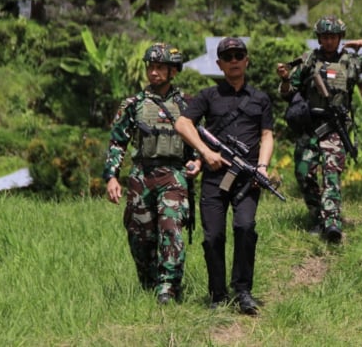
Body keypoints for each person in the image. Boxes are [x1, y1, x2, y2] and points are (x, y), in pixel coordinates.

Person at [174, 37, 274, 315]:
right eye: (227, 57)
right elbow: (182, 124)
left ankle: (243, 291)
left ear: (246, 60)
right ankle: (218, 294)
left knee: (244, 228)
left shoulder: (260, 98)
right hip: (215, 176)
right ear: (219, 63)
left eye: (238, 55)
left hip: (247, 177)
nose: (233, 61)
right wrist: (205, 153)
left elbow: (267, 135)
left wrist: (263, 167)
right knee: (213, 236)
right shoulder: (208, 96)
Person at [102, 43, 200, 305]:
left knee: (171, 231)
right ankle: (149, 283)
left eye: (160, 68)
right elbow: (117, 142)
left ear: (172, 72)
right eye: (151, 67)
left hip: (173, 175)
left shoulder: (188, 105)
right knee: (140, 237)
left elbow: (202, 141)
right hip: (141, 176)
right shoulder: (133, 104)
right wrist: (111, 176)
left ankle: (168, 288)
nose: (154, 73)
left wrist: (198, 162)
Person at [276, 15, 362, 242]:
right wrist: (285, 79)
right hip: (310, 125)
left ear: (340, 38)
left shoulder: (350, 61)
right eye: (324, 37)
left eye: (333, 37)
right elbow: (287, 93)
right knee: (304, 174)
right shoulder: (308, 61)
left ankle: (332, 222)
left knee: (331, 174)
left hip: (335, 127)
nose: (328, 41)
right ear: (318, 38)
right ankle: (317, 215)